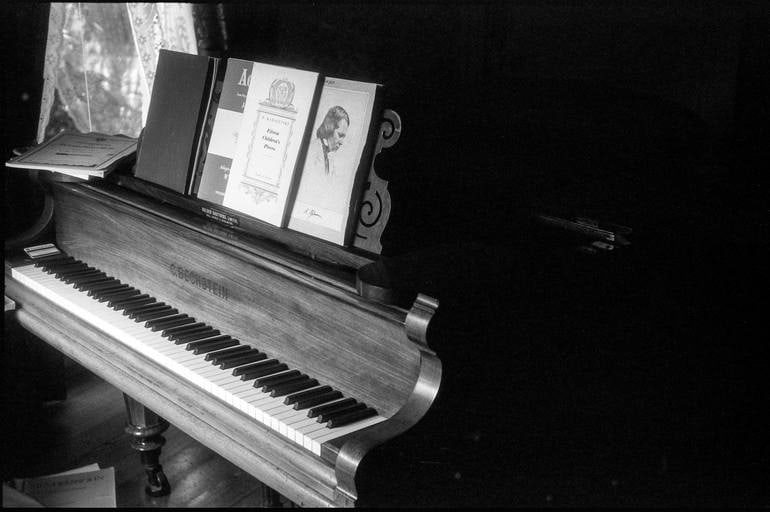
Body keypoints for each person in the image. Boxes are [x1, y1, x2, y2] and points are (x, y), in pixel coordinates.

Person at [309, 106, 350, 177]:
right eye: (340, 135)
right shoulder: (311, 151)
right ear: (329, 128)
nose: (341, 142)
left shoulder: (329, 158)